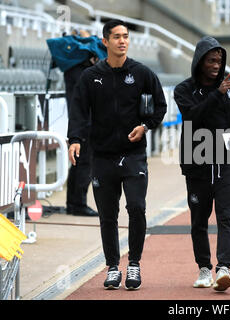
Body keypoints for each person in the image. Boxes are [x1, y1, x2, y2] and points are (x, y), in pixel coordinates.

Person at [67, 19, 167, 290]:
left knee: (136, 207)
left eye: (125, 36)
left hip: (133, 154)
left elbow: (160, 106)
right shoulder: (90, 77)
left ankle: (133, 263)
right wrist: (74, 139)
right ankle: (112, 267)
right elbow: (78, 110)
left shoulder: (143, 73)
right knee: (107, 215)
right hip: (102, 156)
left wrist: (145, 126)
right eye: (117, 37)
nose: (123, 41)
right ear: (105, 41)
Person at [174, 36, 230, 291]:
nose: (216, 66)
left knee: (225, 215)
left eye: (219, 61)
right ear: (199, 61)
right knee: (199, 220)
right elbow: (192, 117)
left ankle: (224, 268)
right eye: (211, 60)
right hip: (197, 164)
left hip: (227, 164)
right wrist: (217, 96)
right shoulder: (184, 90)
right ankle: (203, 269)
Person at [65, 29, 98, 217]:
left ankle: (74, 202)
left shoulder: (73, 66)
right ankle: (78, 203)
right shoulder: (79, 68)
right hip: (84, 121)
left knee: (78, 162)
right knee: (84, 162)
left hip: (81, 119)